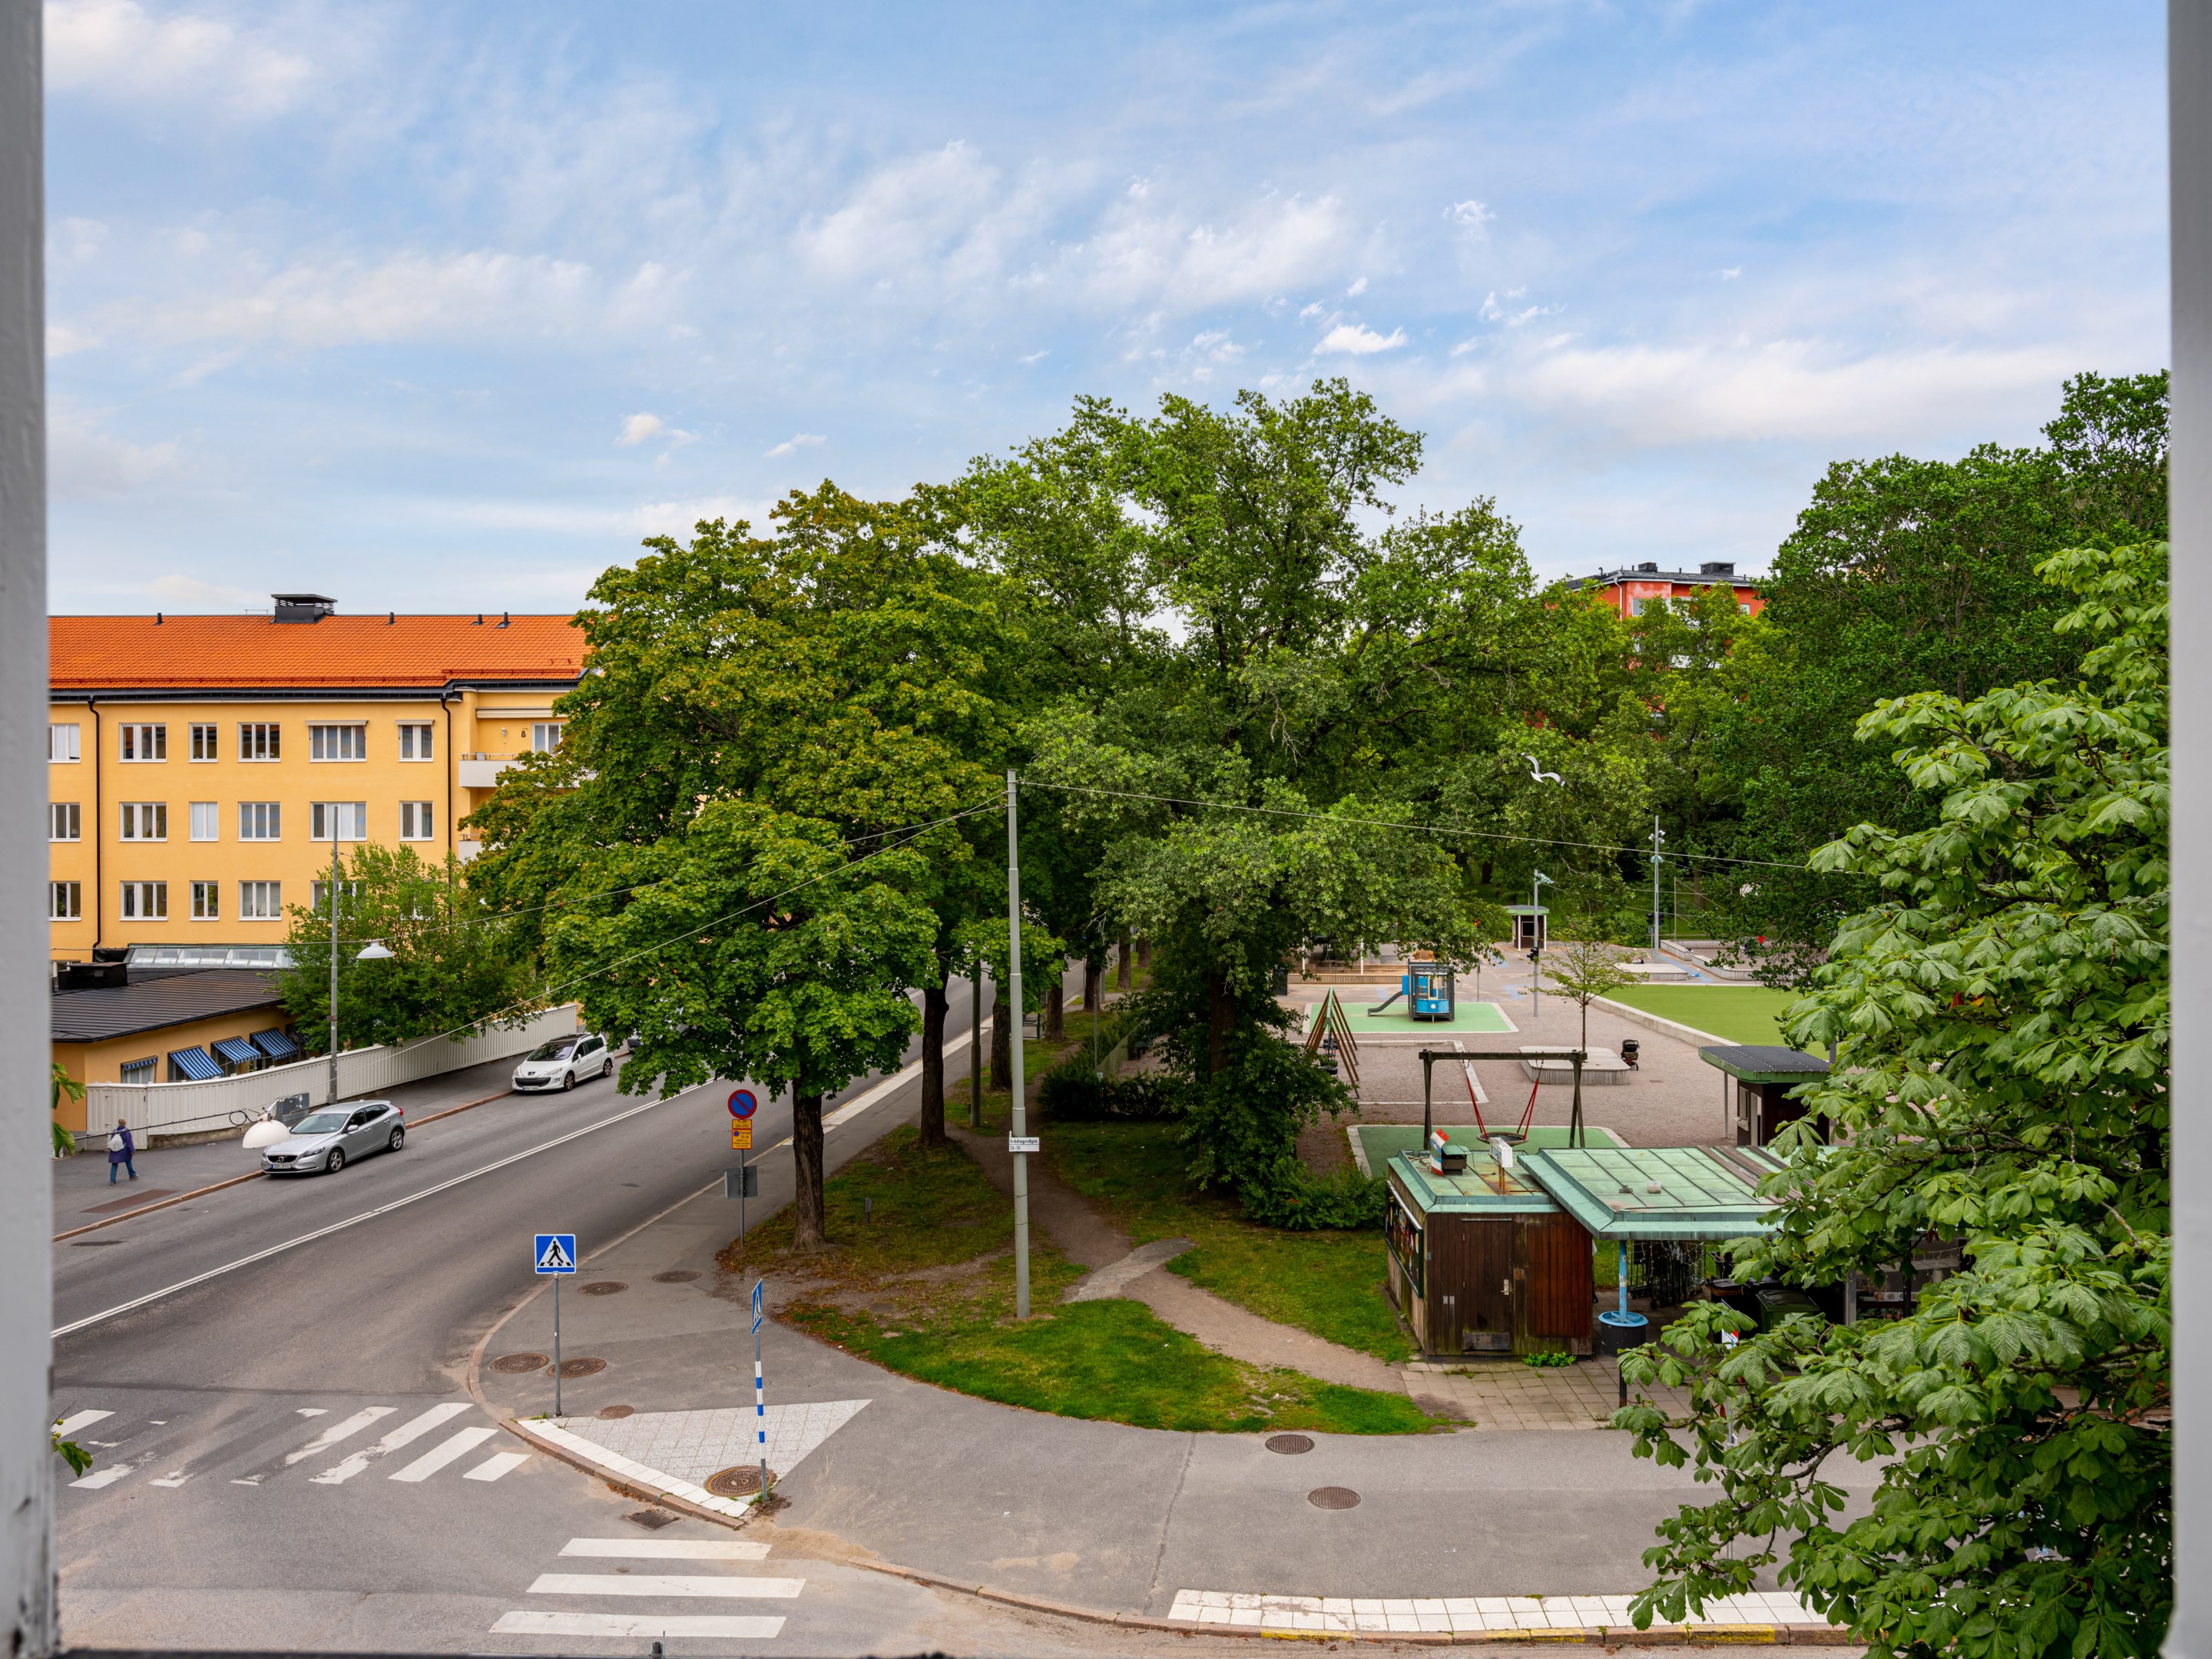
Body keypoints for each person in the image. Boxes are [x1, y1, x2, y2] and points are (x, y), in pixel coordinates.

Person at [108, 1118, 136, 1184]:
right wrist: (132, 1150)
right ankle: (132, 1175)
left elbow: (113, 1140)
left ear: (119, 1123)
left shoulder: (115, 1131)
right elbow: (129, 1142)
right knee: (128, 1161)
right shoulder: (126, 1131)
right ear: (125, 1123)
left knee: (114, 1164)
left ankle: (112, 1180)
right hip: (124, 1150)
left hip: (115, 1150)